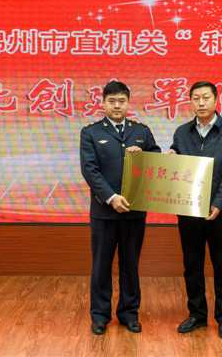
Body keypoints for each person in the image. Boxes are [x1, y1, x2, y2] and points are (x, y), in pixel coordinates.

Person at [80, 80, 161, 335]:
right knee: (101, 266)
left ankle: (129, 313)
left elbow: (156, 161)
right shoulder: (91, 133)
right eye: (112, 101)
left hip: (135, 211)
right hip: (104, 212)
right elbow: (90, 170)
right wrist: (111, 197)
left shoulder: (141, 131)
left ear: (128, 103)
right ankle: (99, 315)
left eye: (121, 101)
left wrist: (144, 155)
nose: (117, 106)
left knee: (130, 265)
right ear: (103, 103)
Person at [168, 80, 222, 340]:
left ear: (216, 100)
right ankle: (197, 314)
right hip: (189, 210)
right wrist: (171, 156)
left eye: (205, 98)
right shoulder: (181, 133)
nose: (200, 103)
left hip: (220, 211)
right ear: (190, 102)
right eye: (196, 98)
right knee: (192, 264)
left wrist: (218, 204)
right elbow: (176, 164)